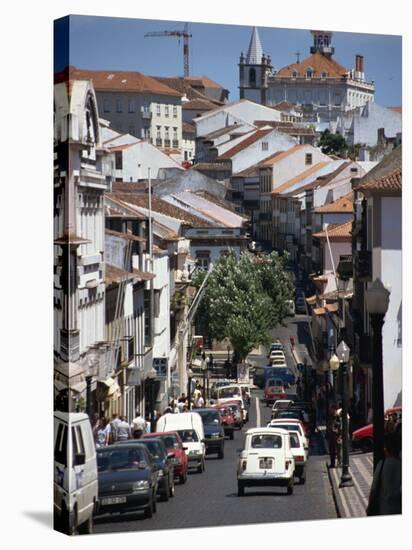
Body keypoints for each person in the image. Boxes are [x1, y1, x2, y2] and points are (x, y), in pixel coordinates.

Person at [366, 431, 401, 516]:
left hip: (385, 508)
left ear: (387, 448)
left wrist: (369, 506)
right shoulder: (401, 464)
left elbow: (373, 489)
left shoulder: (382, 464)